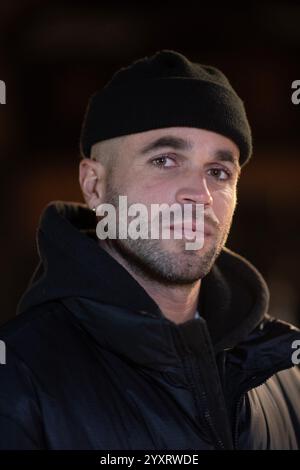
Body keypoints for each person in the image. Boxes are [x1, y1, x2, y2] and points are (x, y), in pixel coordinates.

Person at [0, 49, 299, 450]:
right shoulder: (19, 376)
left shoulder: (284, 369)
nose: (200, 193)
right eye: (164, 160)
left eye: (218, 172)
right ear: (94, 185)